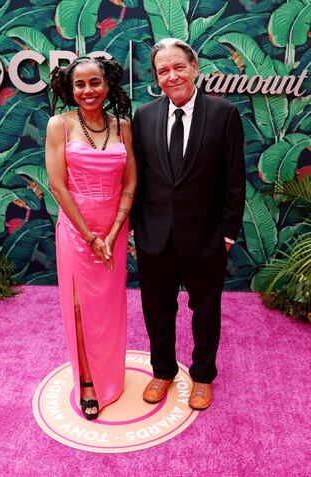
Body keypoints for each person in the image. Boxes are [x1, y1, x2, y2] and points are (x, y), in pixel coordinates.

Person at [132, 38, 245, 410]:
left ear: (194, 68)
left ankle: (202, 375)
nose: (172, 75)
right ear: (156, 78)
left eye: (178, 66)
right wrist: (136, 230)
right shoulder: (144, 116)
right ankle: (162, 371)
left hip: (206, 238)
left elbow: (234, 180)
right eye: (163, 70)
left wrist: (227, 235)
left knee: (206, 310)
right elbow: (138, 178)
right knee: (157, 309)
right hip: (154, 236)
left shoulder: (224, 113)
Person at [45, 57, 136, 420]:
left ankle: (110, 376)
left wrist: (113, 233)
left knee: (110, 305)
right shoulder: (59, 125)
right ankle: (86, 379)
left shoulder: (123, 126)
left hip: (114, 225)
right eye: (80, 84)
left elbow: (130, 183)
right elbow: (57, 185)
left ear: (107, 84)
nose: (88, 91)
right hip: (75, 226)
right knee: (81, 307)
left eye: (94, 82)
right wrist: (90, 236)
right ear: (70, 88)